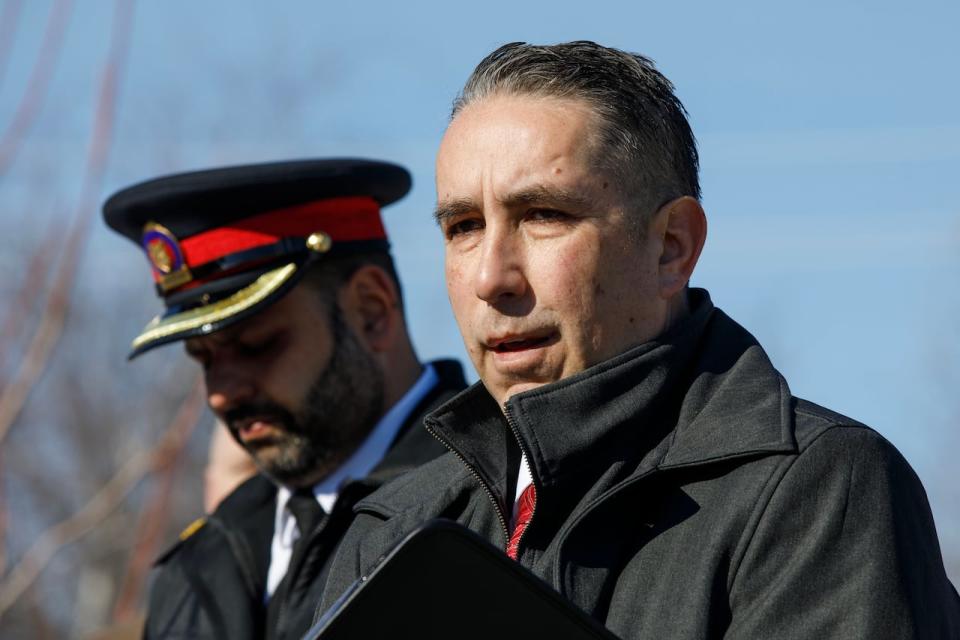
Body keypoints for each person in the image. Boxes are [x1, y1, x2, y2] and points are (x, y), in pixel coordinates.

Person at [317, 43, 960, 637]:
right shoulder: (392, 530)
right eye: (462, 226)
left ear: (671, 247)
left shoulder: (816, 492)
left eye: (543, 215)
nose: (491, 277)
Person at [102, 158, 466, 640]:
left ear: (371, 312)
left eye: (256, 346)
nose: (220, 394)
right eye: (204, 360)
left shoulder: (494, 499)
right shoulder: (199, 564)